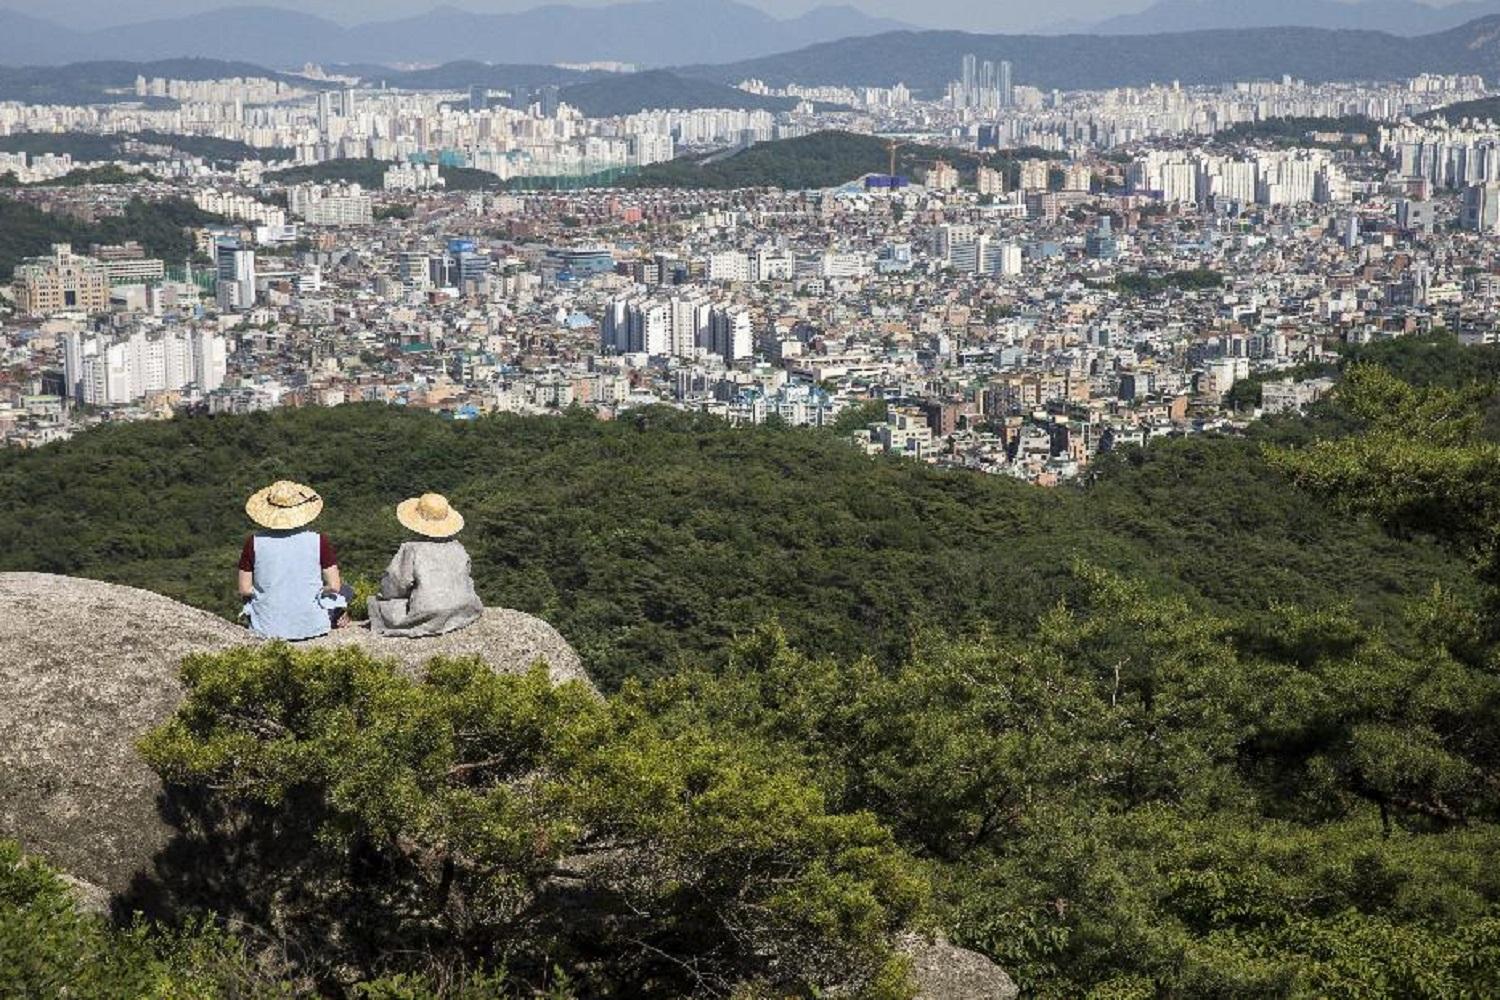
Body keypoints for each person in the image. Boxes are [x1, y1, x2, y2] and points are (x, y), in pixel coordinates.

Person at [238, 479, 351, 640]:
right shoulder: (318, 540)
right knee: (347, 590)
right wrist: (319, 591)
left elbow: (244, 589)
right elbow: (334, 586)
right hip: (311, 626)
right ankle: (339, 617)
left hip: (266, 627)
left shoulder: (253, 542)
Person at [367, 492, 483, 638]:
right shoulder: (458, 547)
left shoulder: (411, 549)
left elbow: (395, 585)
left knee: (376, 605)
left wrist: (384, 597)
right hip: (464, 608)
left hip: (429, 613)